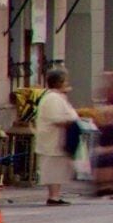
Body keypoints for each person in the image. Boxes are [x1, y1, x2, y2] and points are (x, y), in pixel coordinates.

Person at [27, 71, 81, 203]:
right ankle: (53, 196)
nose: (67, 84)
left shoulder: (58, 97)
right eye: (65, 81)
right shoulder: (53, 98)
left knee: (57, 169)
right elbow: (57, 118)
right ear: (58, 83)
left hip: (56, 140)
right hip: (52, 140)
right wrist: (70, 121)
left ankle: (55, 195)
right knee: (53, 169)